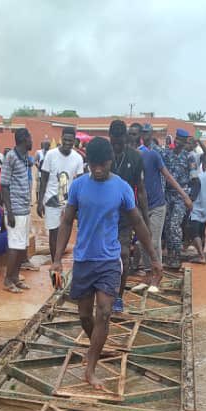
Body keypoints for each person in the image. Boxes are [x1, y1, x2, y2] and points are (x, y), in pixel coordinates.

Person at [49, 137, 161, 391]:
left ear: (110, 162)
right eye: (92, 165)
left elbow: (138, 223)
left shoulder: (121, 187)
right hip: (84, 259)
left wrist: (153, 258)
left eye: (102, 165)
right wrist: (57, 260)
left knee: (105, 312)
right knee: (85, 316)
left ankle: (90, 367)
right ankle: (96, 345)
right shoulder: (78, 186)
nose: (97, 170)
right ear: (87, 162)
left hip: (110, 259)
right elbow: (66, 222)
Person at [134, 126, 187, 291]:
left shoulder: (155, 154)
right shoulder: (133, 155)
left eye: (145, 132)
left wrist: (184, 196)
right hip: (141, 205)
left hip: (157, 204)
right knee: (143, 241)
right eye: (142, 133)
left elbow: (168, 176)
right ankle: (148, 275)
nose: (144, 135)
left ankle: (158, 275)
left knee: (154, 241)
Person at [107, 119, 146, 312]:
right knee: (103, 257)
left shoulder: (136, 158)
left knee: (123, 256)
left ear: (125, 139)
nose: (117, 146)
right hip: (103, 216)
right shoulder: (103, 155)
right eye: (114, 142)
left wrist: (144, 220)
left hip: (124, 216)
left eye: (120, 143)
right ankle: (103, 291)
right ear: (110, 138)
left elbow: (140, 190)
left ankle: (118, 297)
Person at [38, 127, 86, 275]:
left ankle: (57, 261)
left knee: (65, 233)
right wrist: (40, 201)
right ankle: (55, 264)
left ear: (74, 142)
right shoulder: (51, 155)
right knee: (54, 233)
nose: (67, 143)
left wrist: (79, 204)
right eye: (65, 139)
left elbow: (79, 182)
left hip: (69, 203)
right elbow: (44, 179)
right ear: (61, 138)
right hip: (51, 200)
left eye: (70, 141)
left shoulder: (78, 158)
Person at [0, 127, 34, 292]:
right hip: (15, 210)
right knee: (15, 246)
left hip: (25, 209)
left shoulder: (25, 157)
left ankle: (15, 277)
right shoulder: (10, 157)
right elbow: (4, 185)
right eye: (30, 138)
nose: (32, 141)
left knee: (21, 247)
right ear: (24, 139)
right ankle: (8, 281)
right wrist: (10, 211)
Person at [159, 129, 197, 269]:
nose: (178, 141)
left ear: (186, 141)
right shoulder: (166, 154)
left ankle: (177, 255)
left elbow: (195, 180)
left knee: (175, 225)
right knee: (167, 226)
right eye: (177, 138)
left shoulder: (189, 157)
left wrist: (190, 199)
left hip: (181, 196)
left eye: (181, 139)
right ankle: (170, 256)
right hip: (167, 194)